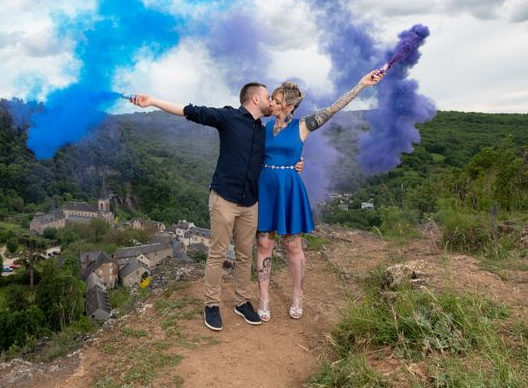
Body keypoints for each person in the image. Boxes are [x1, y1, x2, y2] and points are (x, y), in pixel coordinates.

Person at [131, 84, 301, 331]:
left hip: (250, 202)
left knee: (245, 255)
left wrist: (298, 164)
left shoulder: (263, 129)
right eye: (267, 97)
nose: (271, 101)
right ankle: (211, 305)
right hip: (224, 199)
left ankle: (242, 302)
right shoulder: (229, 117)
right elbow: (190, 111)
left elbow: (279, 154)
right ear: (255, 99)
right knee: (218, 254)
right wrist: (153, 101)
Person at [255, 67, 385, 322]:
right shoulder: (263, 128)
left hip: (289, 189)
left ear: (290, 107)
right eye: (273, 98)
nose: (273, 102)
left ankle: (297, 295)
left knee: (292, 246)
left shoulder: (302, 126)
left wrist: (361, 84)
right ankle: (263, 298)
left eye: (278, 101)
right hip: (266, 187)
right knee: (263, 244)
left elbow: (333, 109)